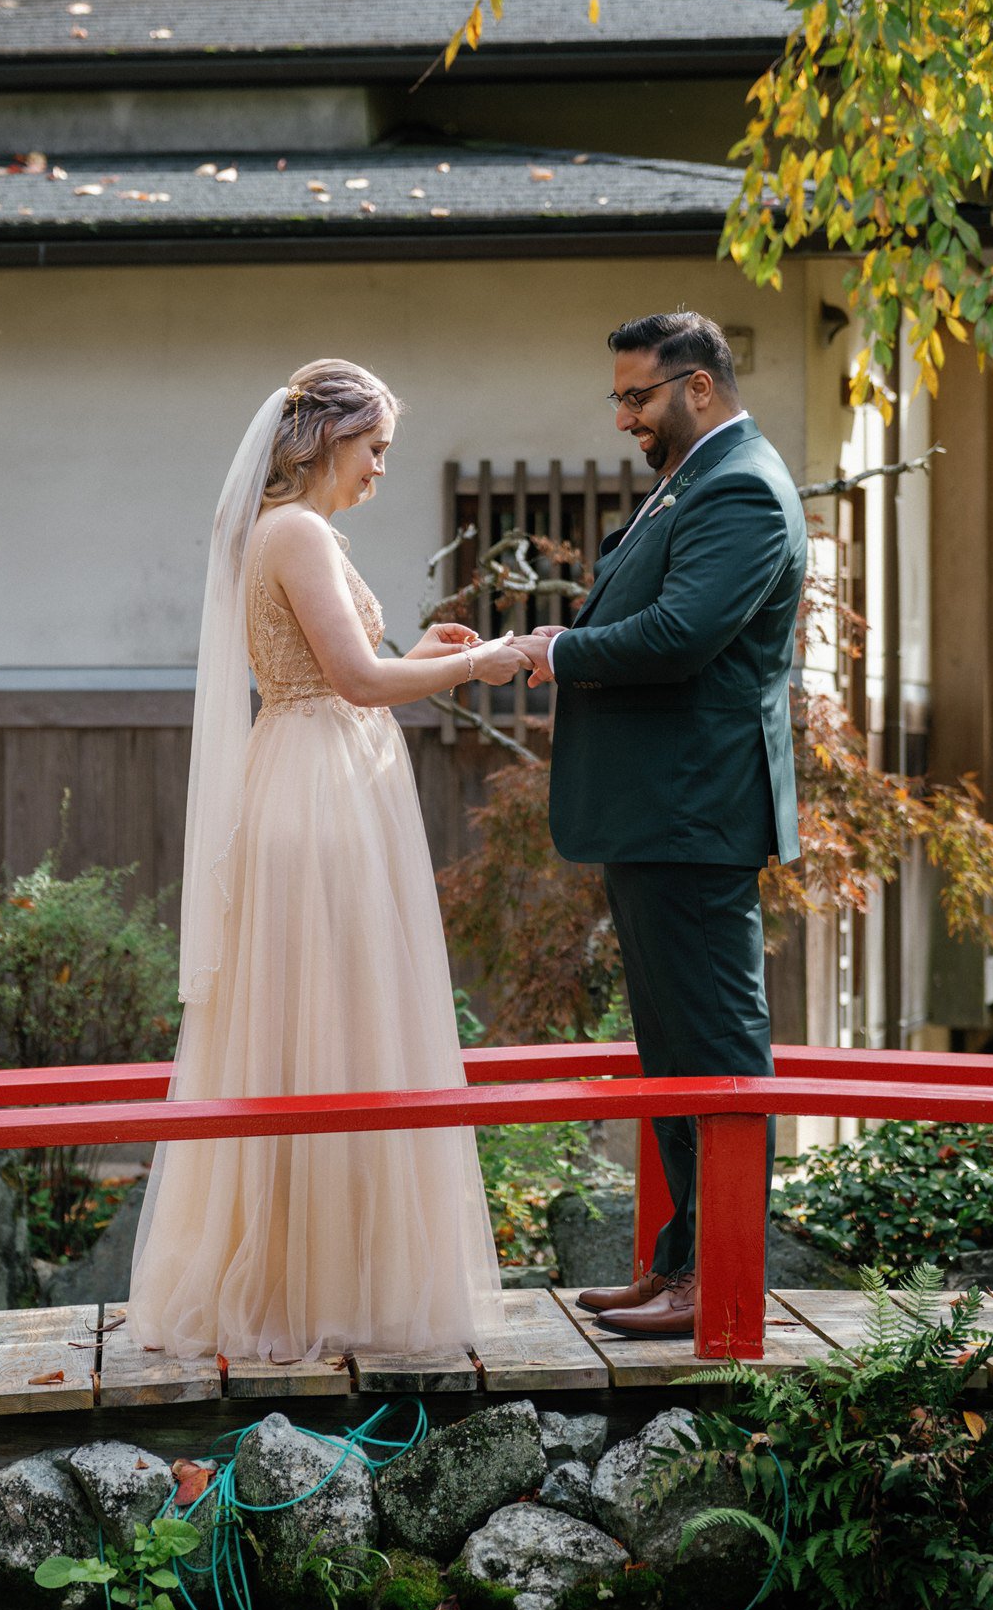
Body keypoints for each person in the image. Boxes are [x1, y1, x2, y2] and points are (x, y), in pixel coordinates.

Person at [128, 360, 519, 1363]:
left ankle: (313, 1272)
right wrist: (474, 662)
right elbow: (350, 676)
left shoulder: (292, 531)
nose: (382, 468)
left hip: (319, 768)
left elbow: (354, 661)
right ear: (326, 438)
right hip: (315, 787)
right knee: (329, 1027)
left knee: (332, 1026)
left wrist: (425, 646)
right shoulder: (295, 530)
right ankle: (305, 1284)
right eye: (374, 448)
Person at [513, 312, 807, 1338]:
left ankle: (716, 1277)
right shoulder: (691, 480)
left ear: (698, 386)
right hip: (661, 811)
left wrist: (559, 650)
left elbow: (684, 634)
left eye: (638, 397)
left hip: (698, 809)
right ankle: (677, 1258)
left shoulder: (740, 484)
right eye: (620, 398)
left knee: (718, 1050)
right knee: (673, 1053)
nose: (626, 417)